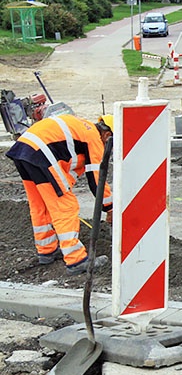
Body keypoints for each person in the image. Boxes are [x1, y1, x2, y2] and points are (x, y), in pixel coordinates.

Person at [6, 114, 113, 275]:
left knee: (40, 204)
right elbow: (97, 179)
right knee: (65, 205)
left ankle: (47, 250)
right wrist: (110, 207)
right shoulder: (93, 138)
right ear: (107, 135)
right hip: (40, 153)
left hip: (24, 150)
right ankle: (76, 259)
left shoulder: (82, 128)